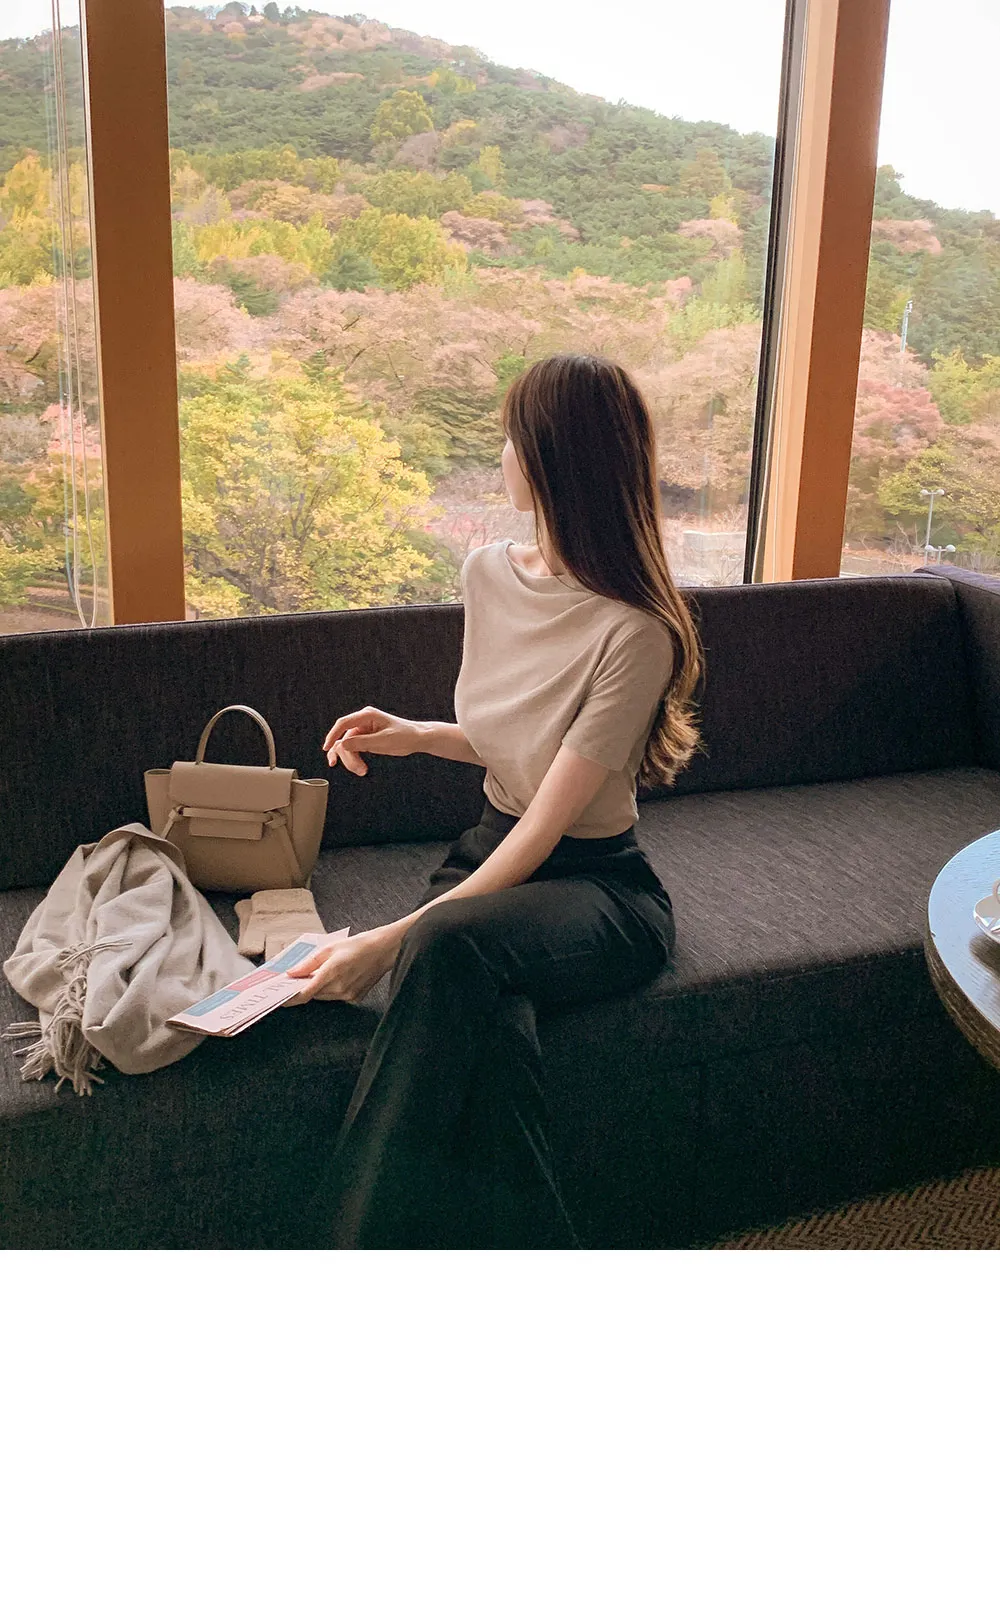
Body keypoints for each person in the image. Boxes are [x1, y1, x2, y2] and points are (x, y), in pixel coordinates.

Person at [288, 352, 702, 1249]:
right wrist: (418, 733)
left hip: (600, 886)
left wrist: (389, 940)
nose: (503, 453)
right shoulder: (487, 573)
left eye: (514, 436)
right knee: (494, 1043)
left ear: (555, 459)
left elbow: (552, 818)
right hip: (487, 849)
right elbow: (519, 740)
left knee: (442, 947)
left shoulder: (637, 631)